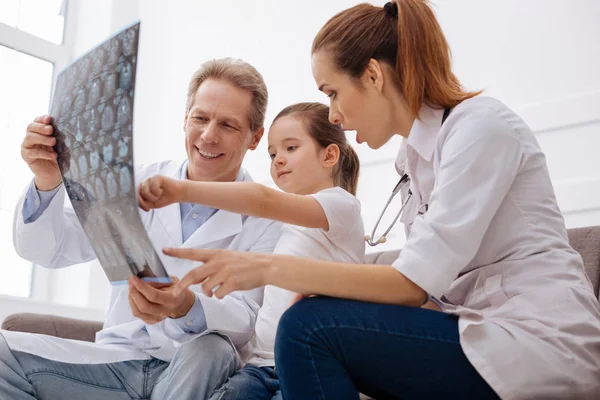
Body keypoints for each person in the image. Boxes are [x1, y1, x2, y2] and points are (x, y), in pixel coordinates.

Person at [164, 2, 600, 399]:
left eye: (332, 92)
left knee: (307, 327)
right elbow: (430, 292)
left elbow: (412, 285)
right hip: (478, 333)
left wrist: (269, 269)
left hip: (538, 342)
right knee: (311, 322)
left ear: (372, 76)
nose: (332, 114)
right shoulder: (411, 161)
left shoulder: (480, 128)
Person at [1, 58, 281, 400]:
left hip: (192, 368)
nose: (209, 135)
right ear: (185, 119)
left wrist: (186, 305)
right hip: (117, 362)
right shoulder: (132, 183)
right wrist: (47, 182)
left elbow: (248, 318)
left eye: (228, 125)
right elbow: (49, 250)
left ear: (255, 137)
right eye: (201, 118)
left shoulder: (268, 214)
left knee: (212, 347)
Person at [138, 101, 365, 400]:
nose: (278, 160)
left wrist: (183, 190)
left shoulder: (341, 206)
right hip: (260, 365)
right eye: (273, 154)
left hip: (312, 363)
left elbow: (260, 198)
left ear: (330, 155)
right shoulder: (282, 225)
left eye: (291, 148)